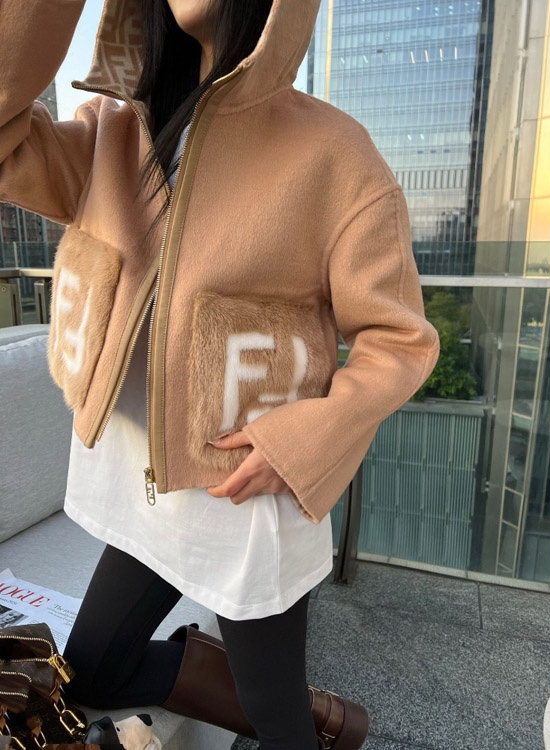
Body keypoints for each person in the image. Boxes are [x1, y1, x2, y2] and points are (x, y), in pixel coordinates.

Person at [0, 0, 440, 748]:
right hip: (140, 483)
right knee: (90, 674)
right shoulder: (111, 135)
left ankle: (311, 720)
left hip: (243, 492)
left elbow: (400, 340)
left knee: (276, 716)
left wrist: (296, 441)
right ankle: (216, 675)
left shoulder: (333, 151)